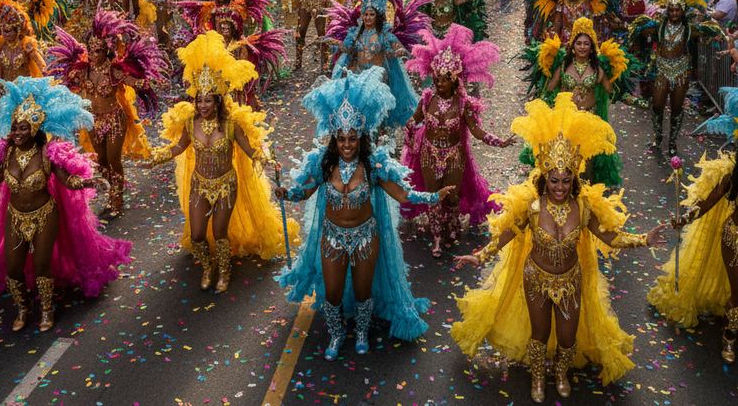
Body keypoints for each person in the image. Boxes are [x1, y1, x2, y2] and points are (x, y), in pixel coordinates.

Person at [451, 96, 666, 403]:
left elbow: (610, 238)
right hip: (536, 278)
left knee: (567, 337)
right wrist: (479, 255)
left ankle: (562, 374)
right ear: (545, 177)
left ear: (574, 178)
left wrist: (644, 239)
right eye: (554, 180)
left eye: (566, 180)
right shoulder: (532, 207)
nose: (560, 187)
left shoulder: (584, 207)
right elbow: (507, 234)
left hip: (570, 280)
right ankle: (539, 376)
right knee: (539, 334)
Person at [276, 68, 453, 359]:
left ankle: (360, 331)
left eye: (352, 139)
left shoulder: (374, 165)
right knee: (332, 293)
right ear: (335, 139)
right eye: (341, 139)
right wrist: (287, 194)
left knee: (362, 291)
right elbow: (304, 192)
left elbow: (402, 194)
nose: (347, 145)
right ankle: (336, 334)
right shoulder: (322, 164)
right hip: (332, 238)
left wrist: (433, 196)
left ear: (360, 138)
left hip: (365, 238)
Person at [0, 77, 131, 332]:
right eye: (14, 128)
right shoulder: (7, 152)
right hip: (15, 216)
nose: (17, 133)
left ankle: (46, 308)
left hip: (44, 215)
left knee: (42, 265)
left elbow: (68, 180)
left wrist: (89, 182)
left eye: (23, 128)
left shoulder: (47, 154)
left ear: (34, 129)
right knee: (13, 268)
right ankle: (23, 308)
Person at [649, 81, 738, 364]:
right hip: (735, 240)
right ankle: (729, 336)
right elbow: (707, 202)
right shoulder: (735, 176)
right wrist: (684, 218)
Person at [149, 31, 294, 292]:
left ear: (217, 101)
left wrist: (266, 159)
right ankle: (208, 266)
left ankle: (224, 272)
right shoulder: (190, 123)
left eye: (208, 100)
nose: (202, 105)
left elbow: (249, 149)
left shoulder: (230, 125)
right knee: (197, 236)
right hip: (199, 184)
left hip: (226, 185)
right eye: (199, 100)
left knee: (220, 233)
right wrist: (157, 157)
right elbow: (179, 147)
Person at [401, 24, 515, 257]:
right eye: (437, 78)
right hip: (429, 154)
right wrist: (410, 133)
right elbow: (414, 120)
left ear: (454, 80)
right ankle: (436, 236)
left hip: (454, 155)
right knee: (434, 197)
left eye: (444, 79)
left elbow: (477, 132)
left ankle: (451, 225)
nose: (439, 83)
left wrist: (499, 142)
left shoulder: (464, 105)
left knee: (451, 196)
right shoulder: (427, 99)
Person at [48, 9, 166, 217]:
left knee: (113, 160)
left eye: (98, 51)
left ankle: (116, 199)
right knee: (101, 161)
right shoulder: (82, 71)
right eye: (91, 51)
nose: (93, 55)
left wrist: (144, 83)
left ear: (106, 51)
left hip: (114, 119)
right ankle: (112, 190)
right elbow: (67, 87)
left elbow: (131, 81)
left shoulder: (114, 71)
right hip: (93, 121)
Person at [523, 17, 630, 187]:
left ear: (591, 47)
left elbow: (611, 90)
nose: (582, 47)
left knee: (587, 162)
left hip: (590, 119)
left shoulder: (598, 68)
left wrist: (616, 72)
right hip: (568, 120)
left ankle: (585, 195)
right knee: (567, 161)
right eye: (578, 43)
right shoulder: (563, 65)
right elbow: (549, 88)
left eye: (586, 44)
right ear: (572, 45)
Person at [629, 0, 721, 157]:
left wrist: (720, 35)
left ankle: (672, 142)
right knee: (657, 105)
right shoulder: (659, 26)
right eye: (671, 10)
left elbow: (709, 30)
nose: (674, 14)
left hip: (681, 71)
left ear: (683, 10)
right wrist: (636, 37)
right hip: (662, 69)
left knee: (677, 108)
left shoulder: (689, 28)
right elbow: (639, 30)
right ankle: (657, 138)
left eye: (677, 10)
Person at [327, 0, 428, 128]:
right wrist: (336, 44)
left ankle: (378, 130)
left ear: (377, 16)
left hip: (378, 77)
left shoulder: (384, 34)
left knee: (375, 109)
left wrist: (398, 52)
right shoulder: (355, 33)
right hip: (358, 75)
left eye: (371, 14)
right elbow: (347, 50)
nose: (367, 17)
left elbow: (398, 48)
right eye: (365, 14)